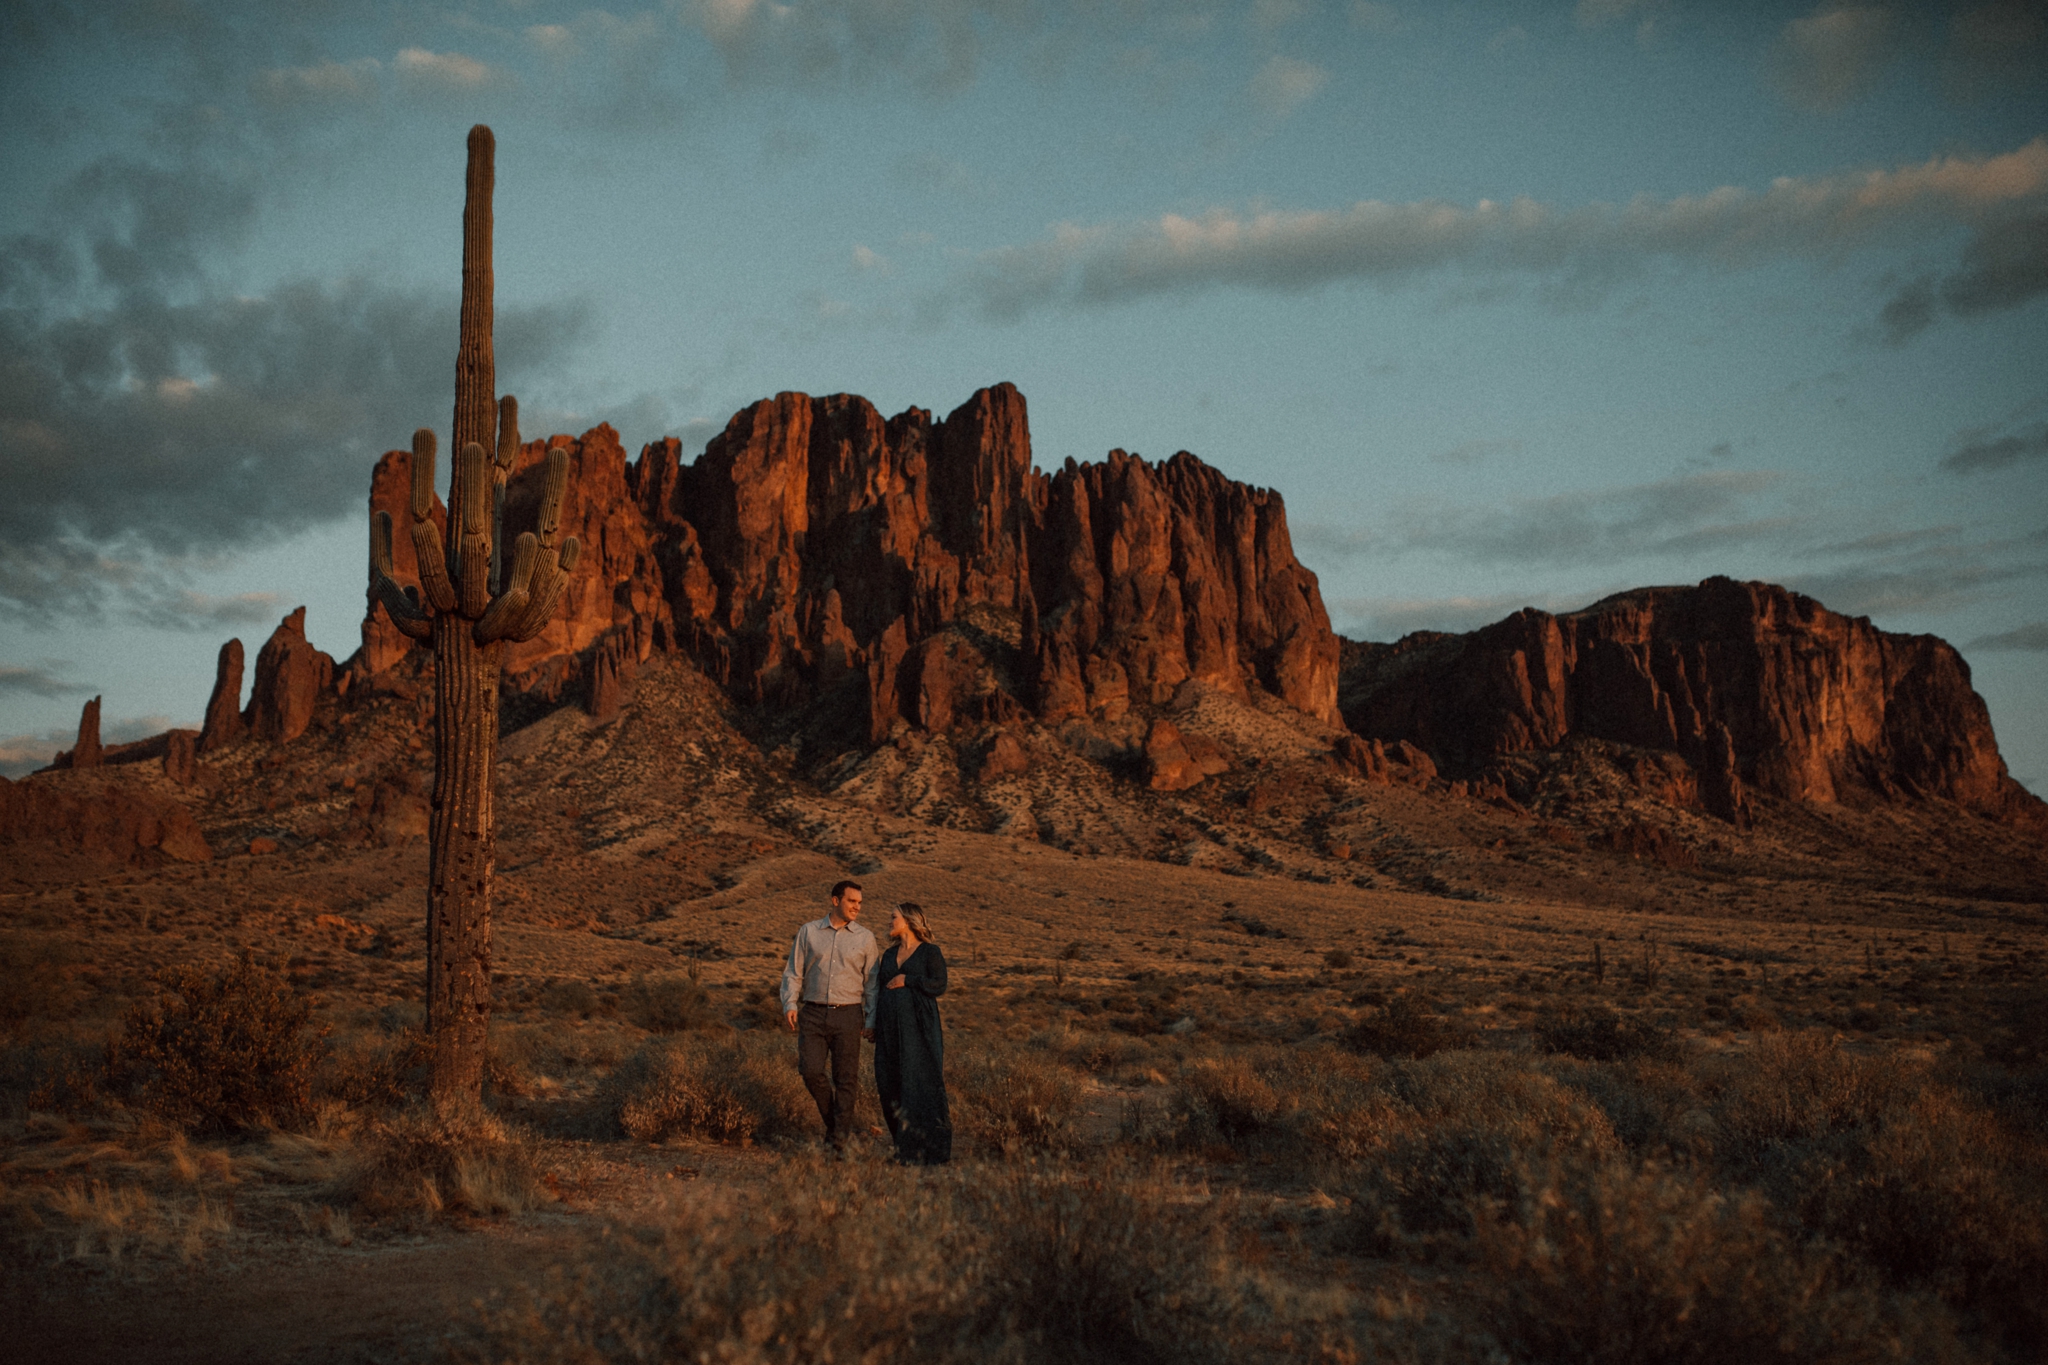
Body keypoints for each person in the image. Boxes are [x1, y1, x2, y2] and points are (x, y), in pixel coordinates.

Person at [781, 879, 882, 1150]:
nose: (857, 907)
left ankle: (838, 1142)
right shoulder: (808, 932)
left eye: (859, 903)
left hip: (848, 1014)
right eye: (852, 901)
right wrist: (790, 1003)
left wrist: (871, 1020)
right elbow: (794, 970)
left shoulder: (865, 938)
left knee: (846, 1078)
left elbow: (872, 985)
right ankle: (837, 1127)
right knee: (810, 1070)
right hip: (812, 1012)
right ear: (835, 900)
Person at [872, 901, 951, 1165]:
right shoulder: (888, 955)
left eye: (893, 916)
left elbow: (939, 984)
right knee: (889, 1084)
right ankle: (903, 1148)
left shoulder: (929, 952)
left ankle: (931, 1151)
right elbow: (879, 989)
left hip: (919, 1031)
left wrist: (909, 980)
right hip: (888, 1032)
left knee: (921, 1086)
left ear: (908, 920)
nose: (889, 921)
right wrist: (872, 1022)